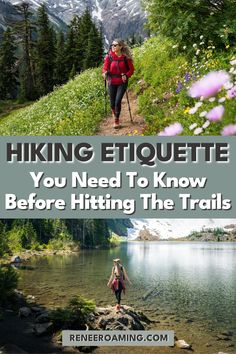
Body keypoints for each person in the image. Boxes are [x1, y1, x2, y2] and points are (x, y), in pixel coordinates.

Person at [102, 39, 135, 129]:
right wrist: (104, 73)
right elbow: (105, 67)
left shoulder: (126, 58)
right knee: (112, 103)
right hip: (111, 81)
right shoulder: (109, 57)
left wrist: (126, 75)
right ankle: (115, 112)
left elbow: (131, 70)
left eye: (115, 45)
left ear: (120, 46)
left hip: (122, 82)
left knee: (117, 101)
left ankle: (116, 120)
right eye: (112, 45)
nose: (113, 47)